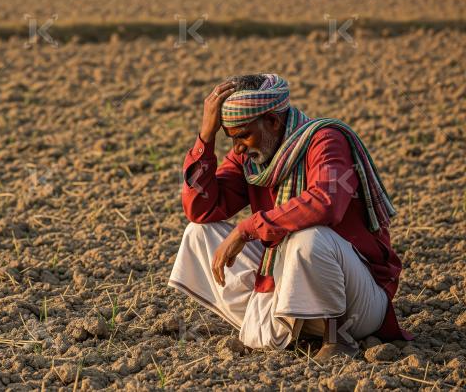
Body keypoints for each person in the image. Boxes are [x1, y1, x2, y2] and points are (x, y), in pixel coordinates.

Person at [168, 74, 412, 361]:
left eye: (243, 135)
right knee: (198, 233)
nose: (238, 148)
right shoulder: (249, 159)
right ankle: (284, 325)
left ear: (272, 121)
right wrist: (205, 139)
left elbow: (326, 203)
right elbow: (201, 209)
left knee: (309, 237)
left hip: (357, 304)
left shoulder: (325, 140)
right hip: (295, 282)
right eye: (231, 139)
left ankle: (336, 340)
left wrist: (248, 228)